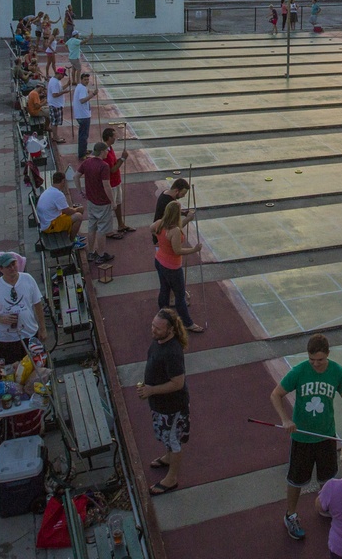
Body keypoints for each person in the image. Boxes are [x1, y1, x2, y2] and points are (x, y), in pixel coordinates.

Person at [271, 333, 342, 541]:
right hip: (302, 438)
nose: (316, 364)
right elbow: (276, 394)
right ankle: (290, 515)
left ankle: (326, 506)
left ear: (328, 354)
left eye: (320, 360)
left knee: (328, 478)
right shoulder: (299, 372)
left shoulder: (337, 372)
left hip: (326, 435)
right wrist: (285, 420)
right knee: (296, 480)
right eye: (312, 359)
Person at [139, 309, 190, 495]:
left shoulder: (173, 352)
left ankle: (171, 478)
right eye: (153, 326)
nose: (153, 330)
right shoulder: (158, 341)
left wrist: (151, 390)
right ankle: (168, 457)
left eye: (158, 328)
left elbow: (178, 383)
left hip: (173, 408)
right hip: (160, 405)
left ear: (170, 330)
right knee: (166, 435)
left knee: (174, 440)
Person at [0, 252, 45, 365]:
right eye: (8, 266)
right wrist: (1, 319)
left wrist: (43, 328)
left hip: (29, 333)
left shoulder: (28, 279)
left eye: (13, 264)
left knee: (36, 367)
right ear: (1, 269)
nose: (12, 268)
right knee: (9, 371)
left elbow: (38, 304)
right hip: (7, 339)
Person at [152, 200, 205, 333]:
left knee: (164, 288)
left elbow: (151, 229)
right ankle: (187, 323)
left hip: (159, 260)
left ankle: (163, 314)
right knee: (180, 296)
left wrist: (161, 241)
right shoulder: (175, 231)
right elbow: (177, 250)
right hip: (172, 266)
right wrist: (194, 250)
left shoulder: (159, 223)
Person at [36, 171, 88, 267]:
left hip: (48, 220)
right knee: (78, 216)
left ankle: (73, 235)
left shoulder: (49, 190)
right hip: (50, 225)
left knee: (74, 214)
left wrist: (74, 209)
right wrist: (78, 209)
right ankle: (72, 241)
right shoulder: (58, 194)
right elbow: (67, 211)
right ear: (63, 181)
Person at [78, 144, 116, 266]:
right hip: (102, 202)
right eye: (106, 151)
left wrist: (80, 191)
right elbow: (106, 185)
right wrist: (113, 201)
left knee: (91, 227)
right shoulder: (104, 166)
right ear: (102, 152)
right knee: (102, 229)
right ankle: (101, 254)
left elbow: (75, 176)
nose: (107, 153)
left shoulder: (87, 162)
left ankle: (90, 252)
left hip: (91, 201)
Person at [100, 126, 132, 239]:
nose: (116, 138)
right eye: (114, 136)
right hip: (111, 183)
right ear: (109, 137)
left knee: (118, 203)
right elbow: (112, 169)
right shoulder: (105, 152)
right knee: (110, 207)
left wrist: (120, 159)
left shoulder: (110, 148)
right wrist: (122, 159)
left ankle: (120, 224)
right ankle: (108, 230)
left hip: (116, 181)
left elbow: (114, 163)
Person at [72, 72, 95, 159]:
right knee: (83, 135)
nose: (87, 81)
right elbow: (82, 100)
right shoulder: (81, 88)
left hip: (82, 114)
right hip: (83, 115)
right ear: (81, 79)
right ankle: (82, 154)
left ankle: (84, 150)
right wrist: (93, 94)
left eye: (87, 79)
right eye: (85, 79)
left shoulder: (81, 87)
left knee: (84, 134)